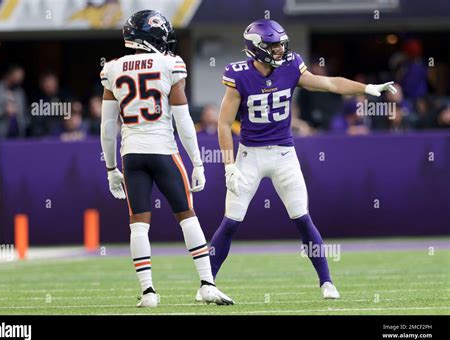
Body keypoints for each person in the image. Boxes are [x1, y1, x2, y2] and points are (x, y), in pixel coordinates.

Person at [207, 19, 396, 300]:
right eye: (273, 45)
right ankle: (207, 284)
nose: (281, 50)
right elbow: (223, 124)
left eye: (281, 44)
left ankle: (326, 282)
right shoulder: (239, 76)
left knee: (302, 218)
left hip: (284, 154)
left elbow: (330, 83)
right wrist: (228, 165)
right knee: (231, 221)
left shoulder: (292, 66)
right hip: (250, 155)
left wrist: (366, 88)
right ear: (257, 48)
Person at [99, 10, 234, 307]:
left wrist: (110, 168)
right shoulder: (169, 64)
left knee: (138, 225)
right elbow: (183, 121)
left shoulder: (112, 68)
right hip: (163, 151)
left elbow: (108, 127)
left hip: (131, 155)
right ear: (152, 35)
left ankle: (148, 292)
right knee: (187, 216)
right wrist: (197, 161)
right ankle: (207, 284)